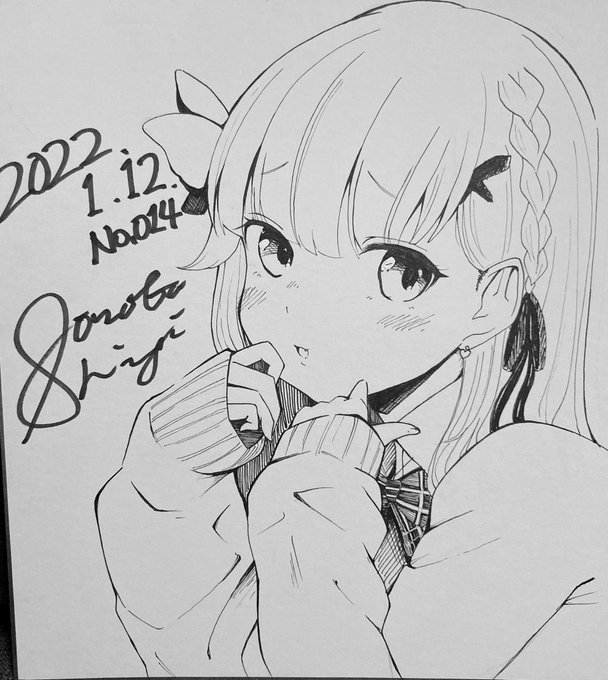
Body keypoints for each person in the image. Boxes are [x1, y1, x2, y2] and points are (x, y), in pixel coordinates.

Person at [95, 2, 608, 677]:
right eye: (275, 246)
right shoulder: (284, 434)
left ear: (492, 298)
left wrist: (309, 499)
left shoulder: (545, 483)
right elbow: (205, 657)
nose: (302, 308)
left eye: (400, 270)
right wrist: (169, 474)